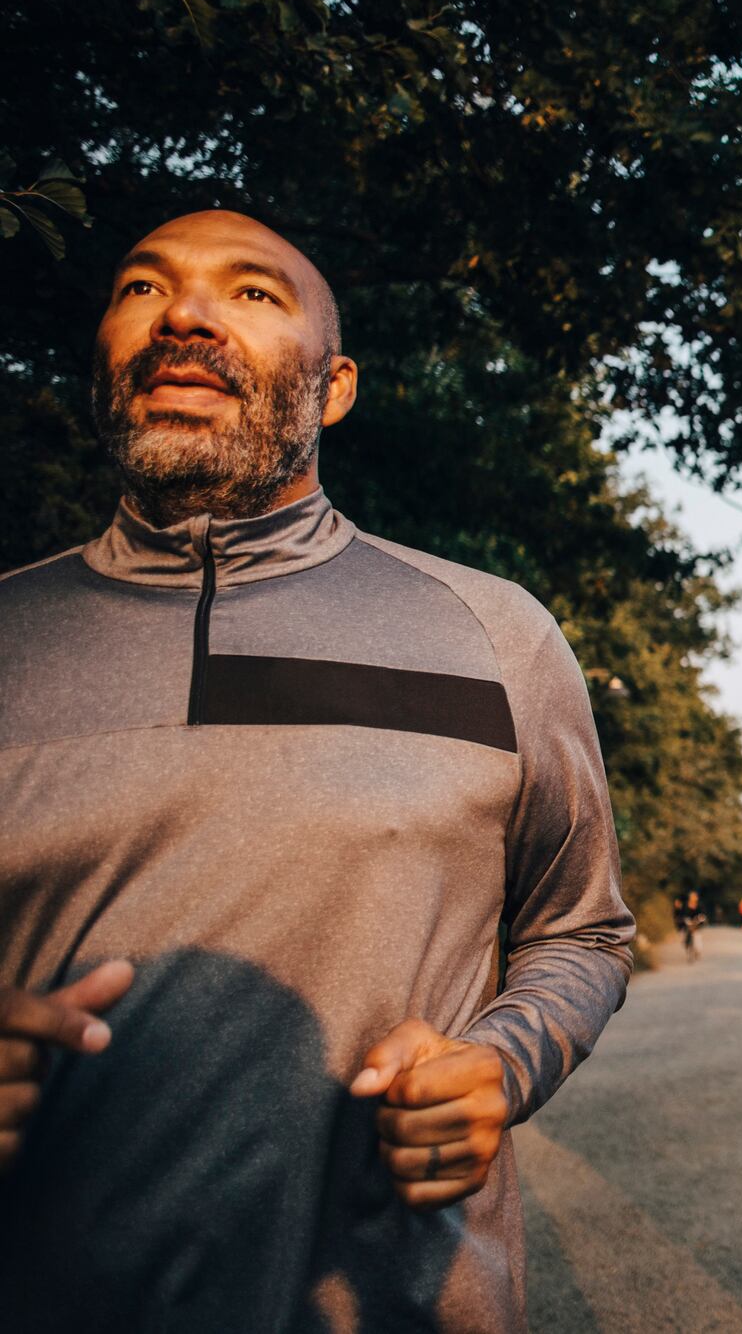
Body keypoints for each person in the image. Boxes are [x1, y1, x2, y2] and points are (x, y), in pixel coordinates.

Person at [0, 210, 636, 1332]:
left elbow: (580, 930)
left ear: (334, 387)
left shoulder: (497, 635)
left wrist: (499, 1064)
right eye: (144, 288)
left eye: (251, 294)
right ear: (102, 358)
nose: (187, 314)